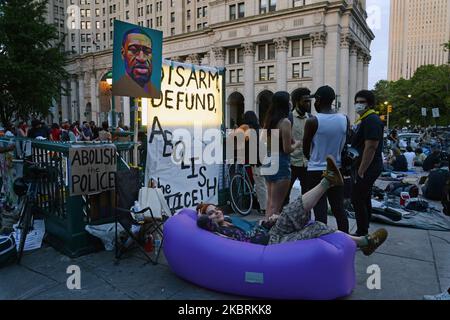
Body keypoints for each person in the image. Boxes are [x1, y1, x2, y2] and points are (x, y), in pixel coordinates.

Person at [197, 155, 388, 256]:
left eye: (216, 210)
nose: (216, 214)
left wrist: (268, 221)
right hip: (269, 244)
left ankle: (328, 181)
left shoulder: (233, 219)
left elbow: (254, 228)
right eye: (212, 214)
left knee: (290, 211)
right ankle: (364, 243)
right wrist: (204, 213)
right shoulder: (218, 232)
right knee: (317, 228)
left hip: (270, 233)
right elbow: (202, 221)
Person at [303, 85, 349, 233]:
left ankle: (322, 241)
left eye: (316, 99)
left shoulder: (313, 121)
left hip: (316, 169)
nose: (314, 103)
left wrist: (313, 158)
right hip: (337, 167)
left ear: (319, 100)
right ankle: (345, 239)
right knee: (338, 208)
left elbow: (306, 148)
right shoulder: (344, 119)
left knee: (320, 209)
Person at [262, 92, 301, 220]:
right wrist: (298, 145)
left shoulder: (269, 120)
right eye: (289, 100)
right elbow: (287, 149)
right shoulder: (285, 122)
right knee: (276, 207)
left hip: (268, 160)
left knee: (270, 202)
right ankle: (269, 234)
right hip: (280, 162)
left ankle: (263, 229)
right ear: (285, 103)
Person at [350, 90, 384, 237]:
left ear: (369, 104)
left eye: (362, 102)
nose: (358, 105)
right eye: (356, 102)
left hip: (368, 167)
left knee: (357, 198)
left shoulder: (371, 120)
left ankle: (362, 232)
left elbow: (371, 147)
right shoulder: (365, 119)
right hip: (365, 166)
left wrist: (361, 170)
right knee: (364, 197)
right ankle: (365, 225)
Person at [113, 28, 159, 98]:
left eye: (147, 51)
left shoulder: (156, 92)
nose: (142, 58)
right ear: (123, 53)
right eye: (133, 50)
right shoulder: (118, 88)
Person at [285, 88, 311, 204]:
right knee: (285, 195)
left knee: (307, 197)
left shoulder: (311, 118)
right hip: (291, 163)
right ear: (297, 102)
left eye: (309, 100)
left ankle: (305, 220)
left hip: (307, 163)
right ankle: (281, 219)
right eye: (305, 101)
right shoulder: (289, 118)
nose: (308, 103)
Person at [239, 111, 267, 215]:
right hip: (265, 159)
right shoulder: (260, 130)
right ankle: (267, 206)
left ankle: (264, 208)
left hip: (257, 161)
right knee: (265, 184)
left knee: (260, 185)